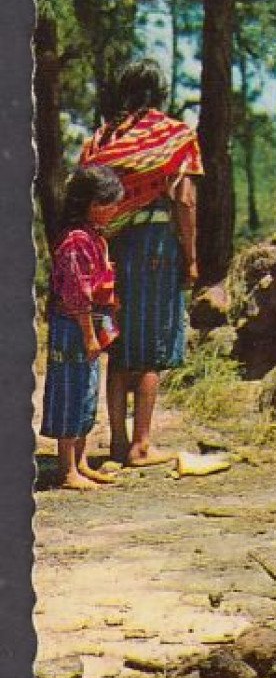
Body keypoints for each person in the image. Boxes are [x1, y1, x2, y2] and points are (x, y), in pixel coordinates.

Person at [78, 59, 202, 467]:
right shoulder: (174, 136)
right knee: (152, 345)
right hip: (156, 248)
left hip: (109, 249)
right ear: (161, 92)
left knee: (119, 341)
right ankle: (141, 446)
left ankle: (116, 441)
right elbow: (184, 200)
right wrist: (191, 258)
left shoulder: (101, 140)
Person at [42, 166, 125, 491]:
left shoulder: (92, 237)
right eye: (111, 204)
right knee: (70, 391)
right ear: (93, 204)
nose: (116, 210)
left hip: (89, 322)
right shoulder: (75, 241)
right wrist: (89, 336)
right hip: (74, 325)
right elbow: (76, 293)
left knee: (87, 391)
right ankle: (66, 469)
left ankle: (81, 461)